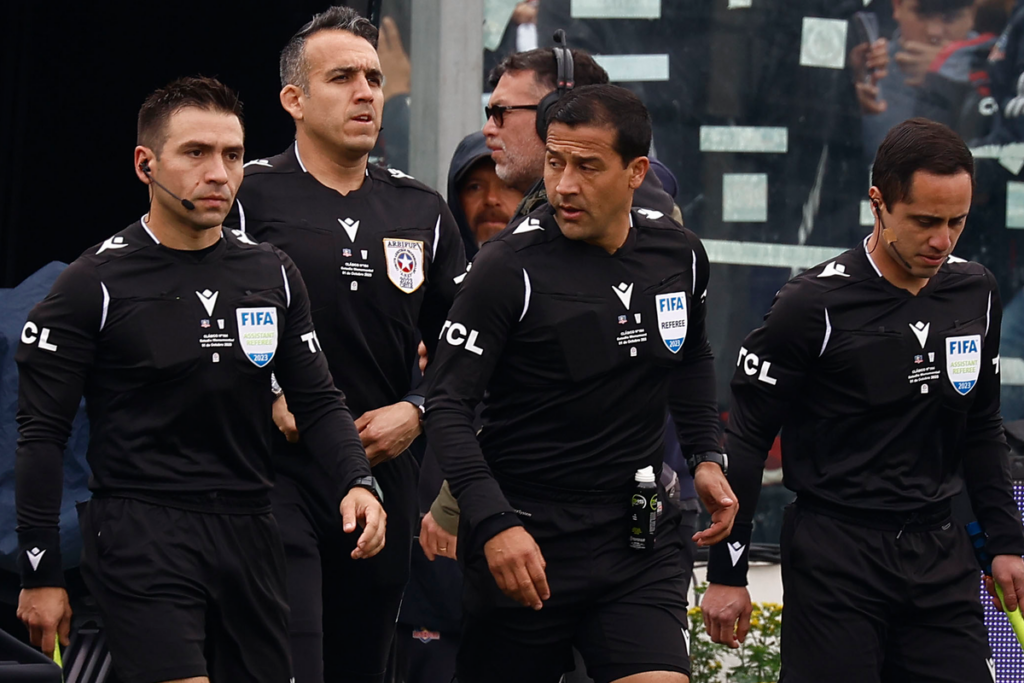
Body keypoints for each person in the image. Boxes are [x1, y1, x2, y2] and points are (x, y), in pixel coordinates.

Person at [14, 76, 385, 683]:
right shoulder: (91, 285)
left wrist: (357, 481)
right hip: (142, 530)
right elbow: (40, 438)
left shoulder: (273, 272)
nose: (219, 173)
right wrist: (42, 574)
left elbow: (318, 400)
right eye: (196, 153)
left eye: (232, 155)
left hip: (251, 527)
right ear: (145, 164)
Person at [424, 83, 737, 683]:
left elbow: (691, 355)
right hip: (527, 540)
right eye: (555, 161)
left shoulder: (680, 255)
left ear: (635, 172)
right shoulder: (504, 268)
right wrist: (493, 523)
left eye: (587, 166)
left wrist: (705, 455)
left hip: (637, 537)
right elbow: (447, 406)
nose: (564, 184)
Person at [701, 118, 1024, 682]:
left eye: (957, 222)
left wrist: (1005, 540)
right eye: (925, 222)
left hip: (939, 549)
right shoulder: (811, 304)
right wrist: (729, 572)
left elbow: (981, 424)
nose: (943, 240)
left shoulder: (977, 290)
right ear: (877, 203)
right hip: (836, 553)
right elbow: (748, 439)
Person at [222, 7, 466, 683]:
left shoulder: (423, 210)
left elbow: (467, 347)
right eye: (343, 78)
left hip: (384, 472)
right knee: (292, 655)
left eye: (374, 78)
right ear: (294, 99)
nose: (366, 92)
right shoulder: (243, 195)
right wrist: (265, 390)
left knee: (361, 663)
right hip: (273, 469)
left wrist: (415, 410)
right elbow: (188, 315)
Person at [482, 45, 676, 218]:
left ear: (554, 113)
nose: (487, 129)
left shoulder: (646, 242)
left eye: (501, 112)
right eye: (489, 114)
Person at [862, 0, 978, 162]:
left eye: (950, 17)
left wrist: (948, 79)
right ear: (897, 6)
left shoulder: (996, 72)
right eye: (922, 13)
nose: (934, 32)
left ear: (973, 14)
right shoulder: (869, 68)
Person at [446, 130, 525, 258]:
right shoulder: (430, 272)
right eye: (475, 187)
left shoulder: (555, 274)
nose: (491, 199)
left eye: (509, 186)